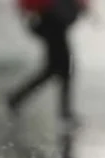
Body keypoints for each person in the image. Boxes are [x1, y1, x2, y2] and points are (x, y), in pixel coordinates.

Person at [6, 0, 89, 128]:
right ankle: (64, 112)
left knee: (54, 69)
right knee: (63, 68)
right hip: (52, 21)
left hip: (50, 21)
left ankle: (17, 98)